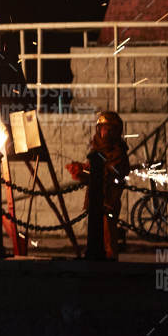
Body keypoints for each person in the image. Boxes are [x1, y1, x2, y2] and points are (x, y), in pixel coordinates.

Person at [66, 110, 130, 259]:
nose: (104, 132)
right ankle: (96, 258)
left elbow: (112, 172)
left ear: (115, 131)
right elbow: (93, 173)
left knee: (108, 231)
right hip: (95, 200)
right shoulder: (96, 148)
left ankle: (110, 260)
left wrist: (89, 170)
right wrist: (80, 170)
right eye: (102, 128)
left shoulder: (118, 151)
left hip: (109, 200)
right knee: (95, 232)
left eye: (107, 129)